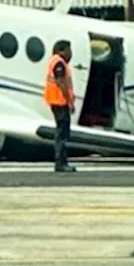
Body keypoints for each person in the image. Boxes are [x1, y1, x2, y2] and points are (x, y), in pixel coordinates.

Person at [44, 39, 76, 173]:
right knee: (62, 133)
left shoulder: (55, 61)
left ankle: (61, 162)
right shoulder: (59, 63)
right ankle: (61, 163)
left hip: (56, 101)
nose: (70, 53)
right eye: (69, 50)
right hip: (59, 102)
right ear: (62, 50)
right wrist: (69, 102)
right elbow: (61, 83)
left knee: (61, 132)